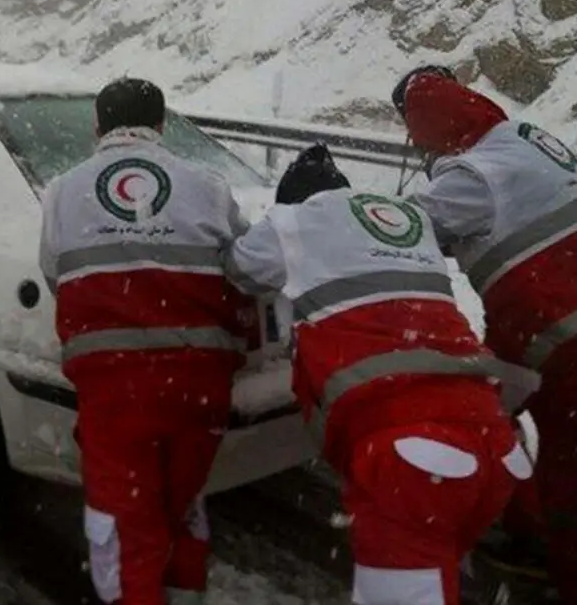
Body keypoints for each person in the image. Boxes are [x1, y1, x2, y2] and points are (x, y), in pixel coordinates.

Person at [224, 143, 536, 605]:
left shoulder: (293, 220)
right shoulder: (406, 220)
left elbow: (240, 270)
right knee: (441, 570)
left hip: (411, 453)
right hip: (491, 436)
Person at [38, 77, 258, 605]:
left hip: (113, 385)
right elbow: (247, 268)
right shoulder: (208, 185)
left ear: (98, 126)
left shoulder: (63, 190)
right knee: (181, 502)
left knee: (123, 521)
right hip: (199, 379)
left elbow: (54, 272)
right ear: (161, 126)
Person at [394, 66, 577, 602]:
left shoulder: (470, 178)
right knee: (488, 405)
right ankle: (530, 530)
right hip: (535, 334)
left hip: (559, 338)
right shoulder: (525, 138)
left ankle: (553, 560)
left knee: (564, 468)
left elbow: (397, 230)